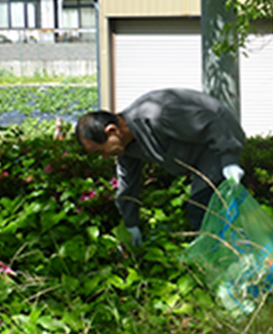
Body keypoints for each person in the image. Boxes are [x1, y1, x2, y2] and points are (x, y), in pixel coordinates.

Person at [75, 88, 247, 247]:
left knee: (201, 207)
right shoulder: (126, 146)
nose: (104, 157)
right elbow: (128, 183)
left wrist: (229, 158)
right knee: (205, 208)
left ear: (112, 131)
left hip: (218, 138)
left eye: (100, 151)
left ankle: (225, 259)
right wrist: (130, 224)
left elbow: (212, 121)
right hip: (196, 149)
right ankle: (224, 251)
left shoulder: (156, 114)